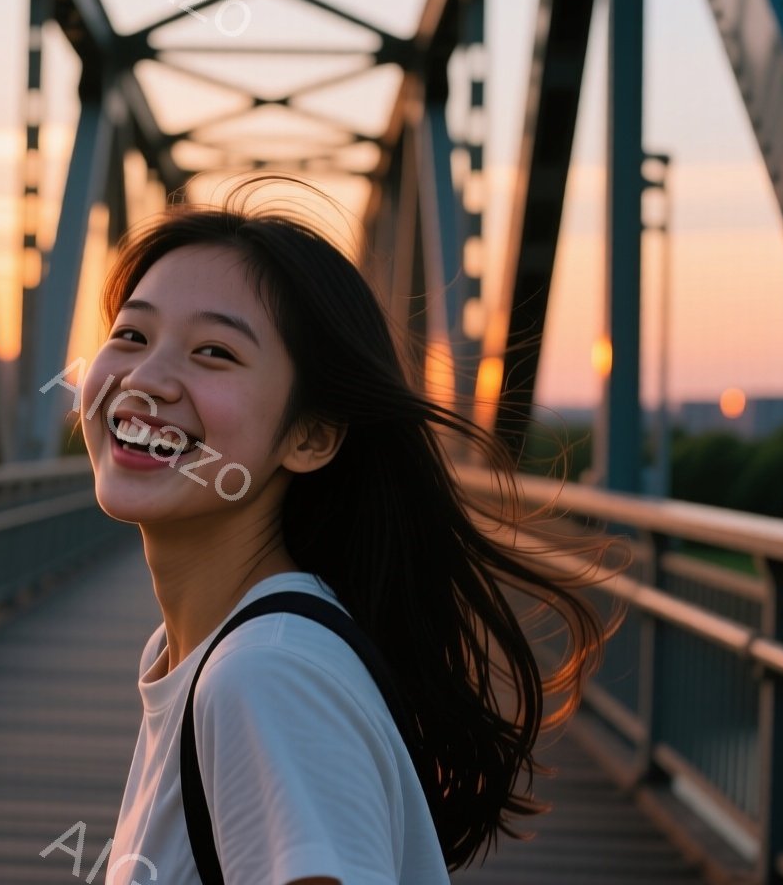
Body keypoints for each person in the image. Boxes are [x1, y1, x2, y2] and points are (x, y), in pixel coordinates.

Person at [79, 176, 612, 885]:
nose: (146, 378)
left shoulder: (266, 676)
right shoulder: (206, 656)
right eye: (131, 335)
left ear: (311, 436)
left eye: (214, 353)